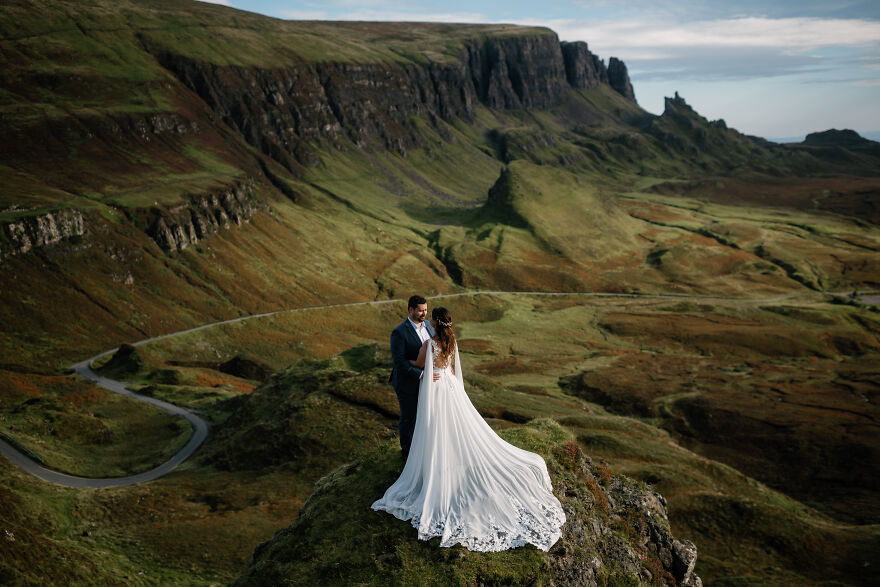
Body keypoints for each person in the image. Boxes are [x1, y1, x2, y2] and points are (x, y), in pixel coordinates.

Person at [373, 307, 566, 552]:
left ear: (435, 322)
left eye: (431, 317)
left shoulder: (429, 345)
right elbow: (448, 366)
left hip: (436, 390)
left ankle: (439, 463)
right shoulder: (452, 342)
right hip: (450, 386)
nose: (429, 320)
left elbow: (420, 364)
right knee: (455, 425)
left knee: (436, 425)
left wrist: (403, 361)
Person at [389, 295, 435, 461]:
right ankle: (407, 453)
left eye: (425, 310)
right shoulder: (399, 332)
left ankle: (421, 449)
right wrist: (421, 374)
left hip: (428, 381)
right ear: (411, 310)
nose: (424, 314)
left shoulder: (430, 326)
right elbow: (399, 362)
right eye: (421, 310)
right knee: (409, 417)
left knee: (425, 414)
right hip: (406, 382)